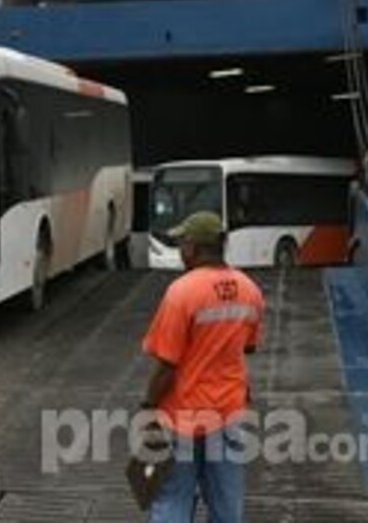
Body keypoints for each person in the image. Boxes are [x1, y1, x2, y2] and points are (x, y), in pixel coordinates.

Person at [139, 211, 264, 522]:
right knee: (226, 505)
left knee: (172, 500)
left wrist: (148, 406)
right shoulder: (250, 289)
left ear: (194, 247)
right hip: (228, 414)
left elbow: (167, 365)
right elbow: (247, 347)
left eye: (182, 243)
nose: (181, 250)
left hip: (181, 417)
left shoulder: (181, 292)